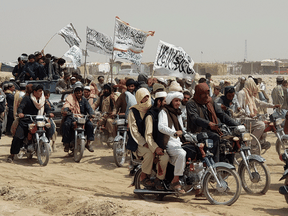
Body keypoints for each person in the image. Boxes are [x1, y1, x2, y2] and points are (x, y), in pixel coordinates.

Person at [186, 83, 239, 162]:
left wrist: (236, 125)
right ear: (199, 94)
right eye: (204, 94)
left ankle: (228, 165)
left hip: (211, 129)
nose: (207, 96)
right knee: (215, 137)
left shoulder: (210, 101)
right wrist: (209, 124)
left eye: (208, 93)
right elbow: (195, 118)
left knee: (230, 138)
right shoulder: (191, 103)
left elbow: (221, 114)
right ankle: (215, 165)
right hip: (197, 132)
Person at [7, 84, 54, 162]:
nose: (41, 93)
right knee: (18, 137)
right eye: (39, 91)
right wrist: (20, 113)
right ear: (34, 92)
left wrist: (50, 113)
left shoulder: (43, 100)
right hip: (26, 120)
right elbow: (21, 107)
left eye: (41, 91)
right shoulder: (27, 99)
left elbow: (47, 109)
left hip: (40, 121)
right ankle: (12, 155)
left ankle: (45, 144)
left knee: (50, 128)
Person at [238, 78, 280, 150]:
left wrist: (272, 106)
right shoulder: (241, 93)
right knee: (261, 125)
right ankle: (252, 144)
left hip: (252, 118)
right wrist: (248, 114)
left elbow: (260, 103)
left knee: (265, 123)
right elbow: (239, 108)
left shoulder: (250, 95)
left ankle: (261, 142)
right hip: (245, 119)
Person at [158, 91, 186, 194]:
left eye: (179, 101)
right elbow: (161, 127)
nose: (178, 103)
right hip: (169, 141)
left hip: (178, 141)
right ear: (171, 101)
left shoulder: (178, 113)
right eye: (176, 100)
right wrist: (173, 133)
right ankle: (175, 180)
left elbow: (182, 129)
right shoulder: (164, 112)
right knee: (181, 153)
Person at [127, 88, 155, 187]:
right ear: (139, 98)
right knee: (150, 154)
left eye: (148, 96)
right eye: (144, 97)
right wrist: (144, 142)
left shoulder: (152, 109)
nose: (146, 99)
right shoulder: (133, 111)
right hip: (138, 143)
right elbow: (134, 130)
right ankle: (143, 176)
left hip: (151, 140)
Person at [142, 91, 169, 189]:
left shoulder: (166, 113)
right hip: (155, 145)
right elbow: (148, 136)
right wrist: (156, 148)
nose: (167, 103)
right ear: (159, 102)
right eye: (165, 101)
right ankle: (158, 179)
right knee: (165, 158)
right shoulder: (150, 116)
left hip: (165, 144)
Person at [61, 84, 95, 153]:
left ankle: (88, 143)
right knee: (66, 124)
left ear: (82, 92)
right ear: (74, 93)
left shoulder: (84, 100)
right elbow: (66, 106)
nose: (78, 94)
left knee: (90, 125)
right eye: (77, 92)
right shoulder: (70, 98)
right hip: (72, 117)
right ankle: (67, 143)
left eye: (79, 92)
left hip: (82, 117)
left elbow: (89, 108)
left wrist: (91, 114)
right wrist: (66, 111)